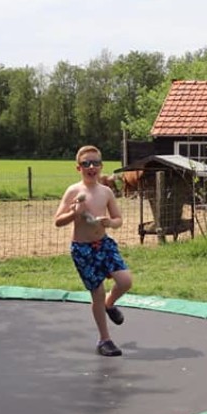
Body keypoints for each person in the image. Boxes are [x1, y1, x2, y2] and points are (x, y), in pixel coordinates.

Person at [54, 145, 133, 356]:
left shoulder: (106, 192)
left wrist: (109, 222)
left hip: (104, 244)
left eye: (95, 163)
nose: (91, 167)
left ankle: (110, 304)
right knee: (96, 293)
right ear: (78, 168)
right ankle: (104, 340)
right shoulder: (73, 191)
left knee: (125, 281)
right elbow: (58, 221)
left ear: (101, 166)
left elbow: (118, 220)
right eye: (86, 163)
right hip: (82, 249)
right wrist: (74, 213)